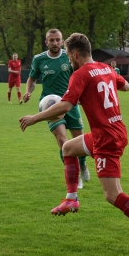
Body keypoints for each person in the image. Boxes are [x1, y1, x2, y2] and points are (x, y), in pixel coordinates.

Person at [19, 32, 129, 252]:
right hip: (108, 132)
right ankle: (71, 199)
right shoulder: (105, 68)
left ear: (75, 53)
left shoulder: (80, 74)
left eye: (69, 56)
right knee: (68, 147)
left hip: (107, 138)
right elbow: (126, 87)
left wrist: (34, 118)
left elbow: (66, 106)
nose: (68, 60)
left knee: (113, 194)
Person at [23, 29, 90, 188]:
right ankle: (74, 176)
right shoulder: (39, 59)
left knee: (78, 140)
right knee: (62, 139)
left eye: (57, 40)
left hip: (70, 103)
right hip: (50, 105)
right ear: (46, 42)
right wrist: (28, 91)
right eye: (51, 40)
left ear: (62, 41)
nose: (54, 43)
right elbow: (32, 79)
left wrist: (80, 96)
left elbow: (81, 76)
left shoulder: (70, 57)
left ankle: (82, 165)